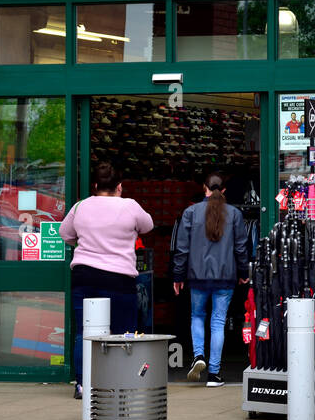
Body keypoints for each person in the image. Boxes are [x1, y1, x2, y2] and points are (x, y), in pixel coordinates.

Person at [58, 162, 155, 399]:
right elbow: (148, 226)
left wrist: (86, 244)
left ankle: (82, 384)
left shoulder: (80, 207)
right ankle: (120, 382)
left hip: (85, 275)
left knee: (85, 332)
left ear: (94, 185)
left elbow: (65, 233)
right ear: (119, 186)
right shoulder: (129, 206)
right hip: (119, 278)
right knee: (123, 333)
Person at [173, 171, 250, 386]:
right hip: (225, 277)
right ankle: (214, 374)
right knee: (218, 322)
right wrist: (244, 273)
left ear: (204, 189)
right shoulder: (234, 214)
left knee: (197, 316)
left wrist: (178, 275)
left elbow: (182, 249)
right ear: (223, 190)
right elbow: (241, 248)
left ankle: (198, 355)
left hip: (197, 276)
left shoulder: (190, 213)